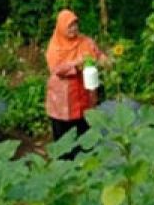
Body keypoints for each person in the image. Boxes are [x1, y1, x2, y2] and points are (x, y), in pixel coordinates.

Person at [45, 9, 108, 144]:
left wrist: (104, 60)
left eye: (75, 24)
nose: (74, 28)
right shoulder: (55, 46)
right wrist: (77, 63)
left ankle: (85, 161)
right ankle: (65, 163)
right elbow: (56, 68)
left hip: (85, 94)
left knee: (85, 132)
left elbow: (98, 54)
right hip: (63, 99)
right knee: (65, 138)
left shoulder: (86, 41)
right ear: (61, 27)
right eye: (70, 26)